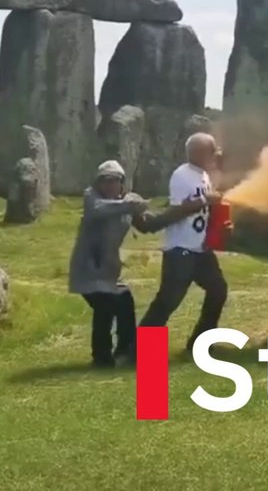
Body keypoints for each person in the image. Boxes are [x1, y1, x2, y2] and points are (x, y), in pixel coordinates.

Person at [68, 161, 204, 368]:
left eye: (115, 180)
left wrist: (182, 210)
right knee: (106, 307)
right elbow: (98, 210)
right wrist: (133, 203)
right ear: (98, 182)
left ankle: (126, 349)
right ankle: (101, 358)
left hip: (108, 270)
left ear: (122, 183)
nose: (110, 185)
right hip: (88, 268)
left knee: (124, 302)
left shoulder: (126, 202)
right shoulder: (92, 197)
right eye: (106, 180)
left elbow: (150, 224)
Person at [138, 133, 230, 353]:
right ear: (199, 152)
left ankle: (200, 343)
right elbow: (177, 210)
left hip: (199, 249)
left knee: (218, 290)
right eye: (211, 150)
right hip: (181, 250)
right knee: (167, 302)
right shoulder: (182, 175)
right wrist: (204, 200)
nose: (215, 154)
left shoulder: (203, 175)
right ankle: (140, 351)